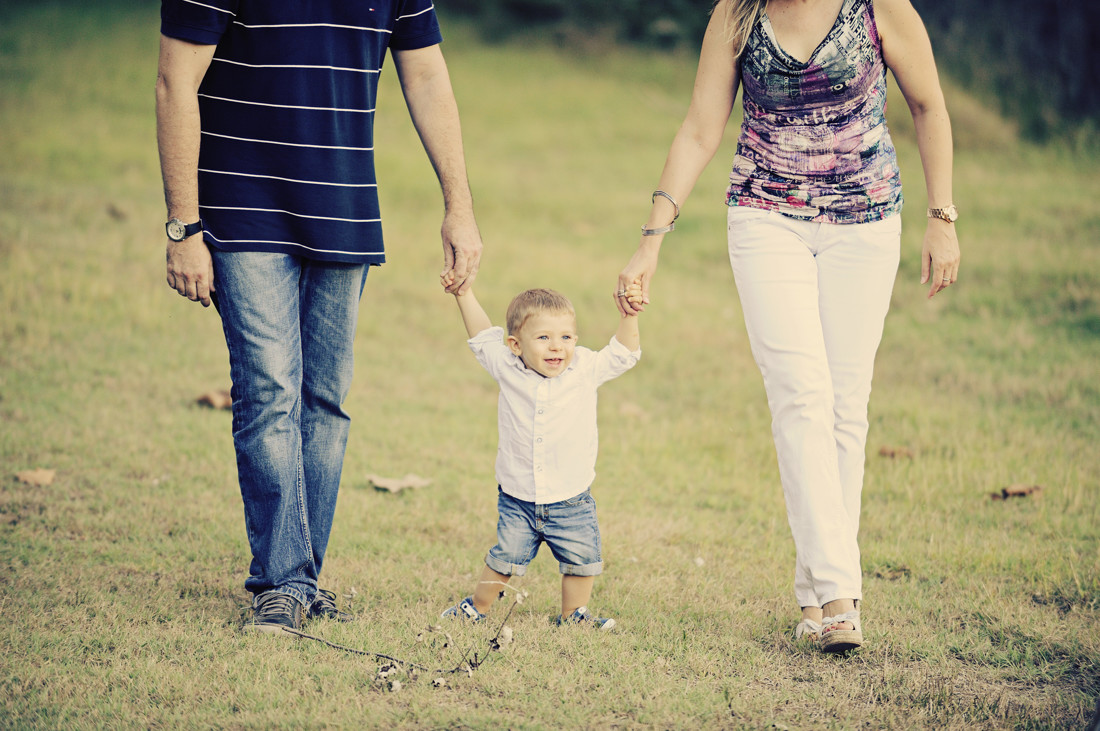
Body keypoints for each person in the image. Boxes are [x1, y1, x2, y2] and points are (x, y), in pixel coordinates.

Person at [617, 0, 960, 653]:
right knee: (801, 394)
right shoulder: (738, 14)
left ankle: (814, 591)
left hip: (864, 222)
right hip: (765, 217)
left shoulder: (876, 7)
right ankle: (838, 595)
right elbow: (698, 129)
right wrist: (651, 239)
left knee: (843, 406)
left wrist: (942, 214)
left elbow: (928, 106)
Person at [156, 0, 483, 635]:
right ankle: (284, 582)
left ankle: (300, 577)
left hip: (343, 205)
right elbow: (175, 81)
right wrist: (183, 224)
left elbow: (427, 75)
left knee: (325, 400)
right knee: (271, 391)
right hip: (239, 200)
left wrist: (459, 206)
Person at [438, 282, 643, 630]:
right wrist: (464, 293)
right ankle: (477, 607)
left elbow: (624, 353)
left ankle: (573, 615)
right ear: (516, 345)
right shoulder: (507, 366)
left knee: (581, 560)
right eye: (544, 338)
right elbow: (481, 336)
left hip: (571, 498)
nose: (557, 347)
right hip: (518, 496)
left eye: (566, 337)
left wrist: (629, 316)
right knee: (506, 558)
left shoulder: (585, 369)